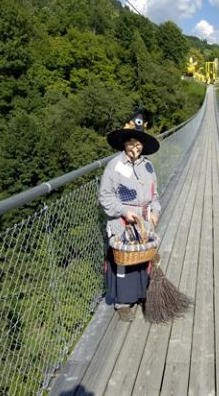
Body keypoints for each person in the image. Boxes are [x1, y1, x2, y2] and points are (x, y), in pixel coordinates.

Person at [98, 110, 161, 322]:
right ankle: (123, 303)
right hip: (122, 223)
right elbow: (105, 196)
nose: (135, 148)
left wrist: (155, 211)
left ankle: (141, 294)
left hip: (143, 223)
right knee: (123, 263)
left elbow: (154, 195)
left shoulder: (148, 166)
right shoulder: (114, 166)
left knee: (141, 260)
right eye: (131, 143)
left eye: (139, 144)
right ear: (124, 144)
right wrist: (124, 211)